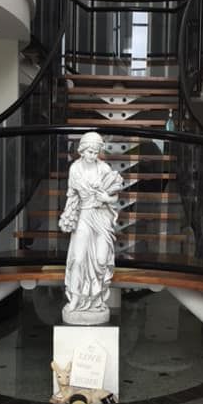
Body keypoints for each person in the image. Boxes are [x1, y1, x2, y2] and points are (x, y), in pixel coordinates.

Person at [59, 132, 124, 320]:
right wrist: (68, 215)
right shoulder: (75, 168)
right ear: (81, 150)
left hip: (102, 217)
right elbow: (72, 195)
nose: (92, 155)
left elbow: (115, 197)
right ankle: (76, 299)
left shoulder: (103, 168)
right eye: (88, 151)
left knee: (101, 260)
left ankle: (96, 300)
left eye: (95, 152)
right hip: (84, 216)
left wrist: (107, 198)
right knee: (78, 259)